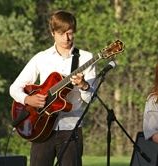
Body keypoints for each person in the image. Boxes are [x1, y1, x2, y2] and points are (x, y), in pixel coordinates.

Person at [9, 10, 96, 166]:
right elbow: (14, 88)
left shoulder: (86, 58)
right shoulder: (41, 57)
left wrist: (84, 85)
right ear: (52, 33)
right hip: (41, 127)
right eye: (61, 33)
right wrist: (28, 99)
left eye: (69, 33)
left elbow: (90, 98)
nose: (66, 38)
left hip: (71, 128)